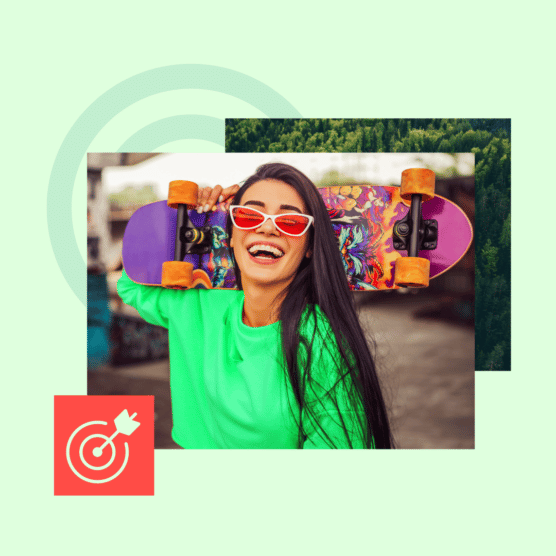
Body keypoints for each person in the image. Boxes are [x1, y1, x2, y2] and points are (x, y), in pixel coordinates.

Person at [118, 162, 394, 449]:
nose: (267, 227)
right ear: (232, 236)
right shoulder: (198, 302)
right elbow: (130, 283)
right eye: (249, 216)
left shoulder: (321, 341)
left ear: (309, 246)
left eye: (290, 221)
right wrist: (189, 218)